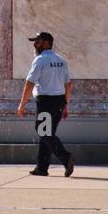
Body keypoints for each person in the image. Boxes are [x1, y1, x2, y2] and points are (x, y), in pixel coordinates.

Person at [17, 31, 74, 178]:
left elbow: (30, 83)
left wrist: (22, 104)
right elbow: (68, 85)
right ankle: (41, 168)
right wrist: (66, 105)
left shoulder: (40, 60)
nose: (35, 44)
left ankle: (66, 157)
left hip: (46, 102)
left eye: (38, 41)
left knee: (43, 131)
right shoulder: (61, 60)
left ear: (47, 43)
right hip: (59, 101)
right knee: (48, 134)